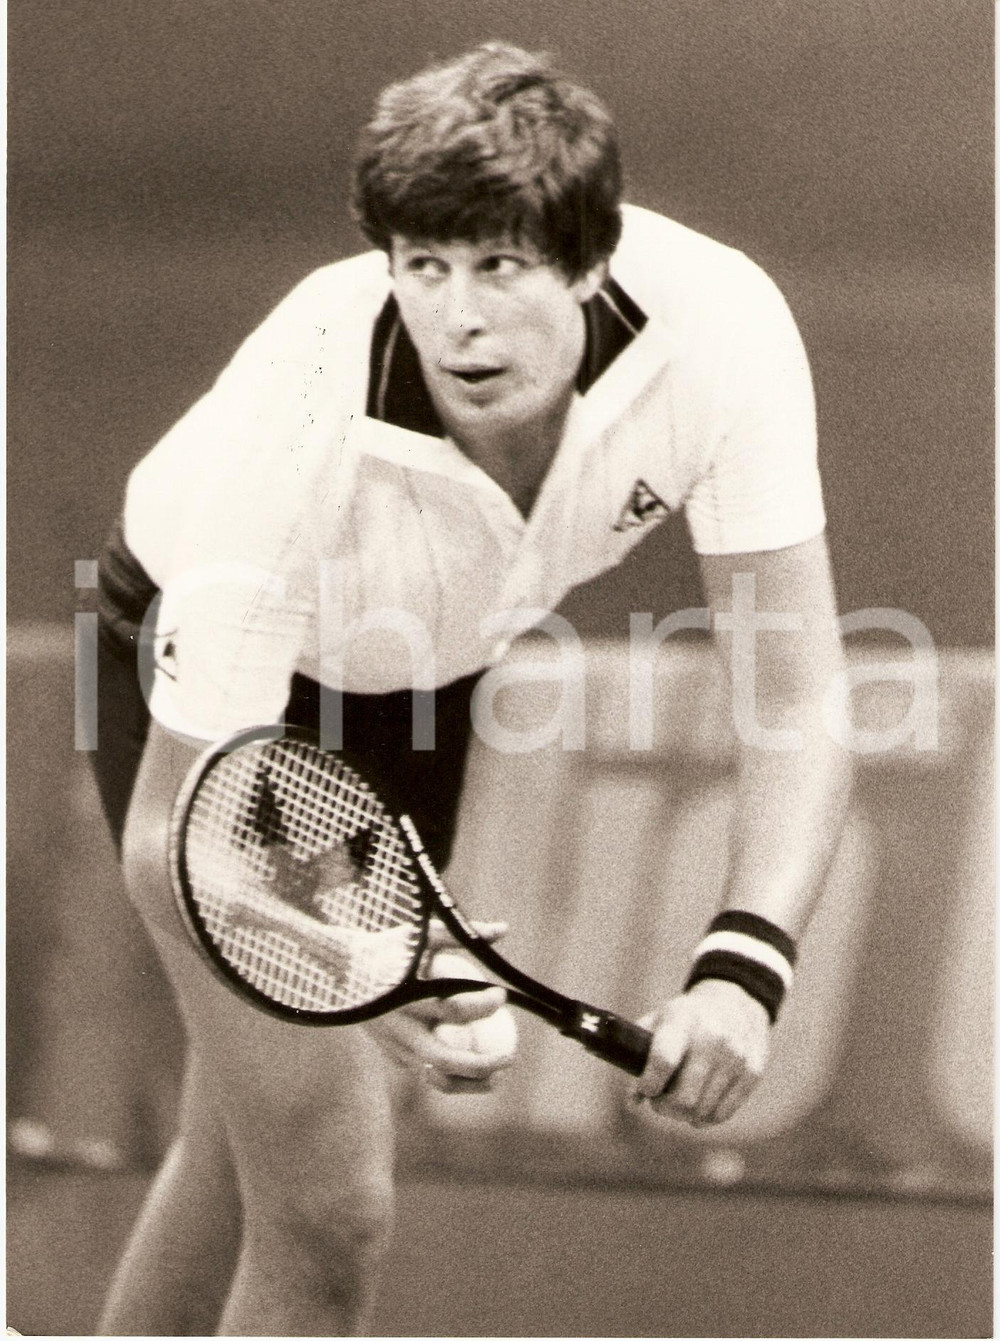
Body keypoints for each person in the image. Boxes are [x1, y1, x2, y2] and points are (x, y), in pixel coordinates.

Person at [92, 41, 852, 1336]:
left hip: (416, 688)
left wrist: (746, 964)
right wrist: (374, 958)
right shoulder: (304, 420)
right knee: (332, 1206)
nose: (460, 319)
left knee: (238, 1155)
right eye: (423, 266)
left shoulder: (722, 334)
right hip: (220, 736)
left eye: (498, 263)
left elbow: (794, 690)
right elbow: (179, 833)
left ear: (590, 259)